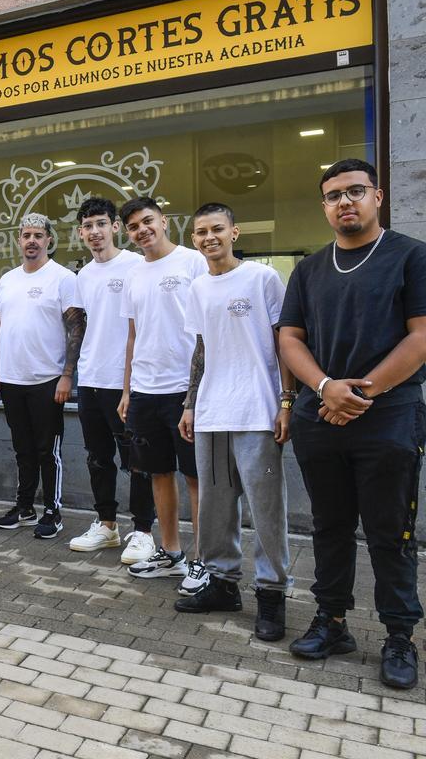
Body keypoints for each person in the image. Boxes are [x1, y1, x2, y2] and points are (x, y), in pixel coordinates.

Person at [279, 158, 426, 690]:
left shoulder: (411, 256)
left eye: (355, 191)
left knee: (391, 533)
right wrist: (325, 388)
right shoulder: (310, 269)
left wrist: (360, 393)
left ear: (377, 196)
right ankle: (332, 622)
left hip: (388, 416)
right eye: (334, 195)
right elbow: (290, 339)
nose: (345, 202)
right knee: (330, 526)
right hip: (321, 415)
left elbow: (420, 337)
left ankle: (399, 637)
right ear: (323, 206)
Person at [174, 203, 294, 641]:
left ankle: (272, 593)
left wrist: (286, 401)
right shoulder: (198, 288)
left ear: (234, 232)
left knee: (266, 510)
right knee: (215, 508)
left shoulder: (261, 278)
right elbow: (201, 350)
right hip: (211, 412)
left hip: (257, 409)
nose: (209, 237)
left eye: (217, 229)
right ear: (193, 239)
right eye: (201, 231)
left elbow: (286, 343)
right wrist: (190, 404)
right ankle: (223, 585)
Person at [118, 197, 208, 594]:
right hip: (145, 390)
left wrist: (198, 390)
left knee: (195, 477)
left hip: (185, 390)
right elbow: (134, 336)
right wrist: (127, 390)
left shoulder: (192, 262)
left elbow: (208, 330)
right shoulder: (134, 274)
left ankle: (203, 560)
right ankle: (170, 552)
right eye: (134, 226)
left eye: (148, 221)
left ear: (164, 221)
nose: (142, 230)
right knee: (157, 472)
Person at [66, 198, 155, 562]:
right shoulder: (83, 276)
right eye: (88, 226)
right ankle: (106, 526)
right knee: (97, 458)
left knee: (137, 460)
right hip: (91, 380)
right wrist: (72, 374)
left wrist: (129, 384)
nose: (94, 232)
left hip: (129, 382)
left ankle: (144, 531)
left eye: (101, 224)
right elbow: (81, 327)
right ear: (80, 233)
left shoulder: (136, 265)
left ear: (116, 227)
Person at [0, 213, 83, 539]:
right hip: (12, 380)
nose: (31, 240)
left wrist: (67, 375)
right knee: (23, 449)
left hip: (47, 380)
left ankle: (52, 512)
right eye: (26, 235)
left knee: (47, 451)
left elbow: (75, 328)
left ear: (49, 240)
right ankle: (25, 507)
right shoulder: (7, 280)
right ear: (19, 240)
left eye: (38, 235)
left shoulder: (63, 278)